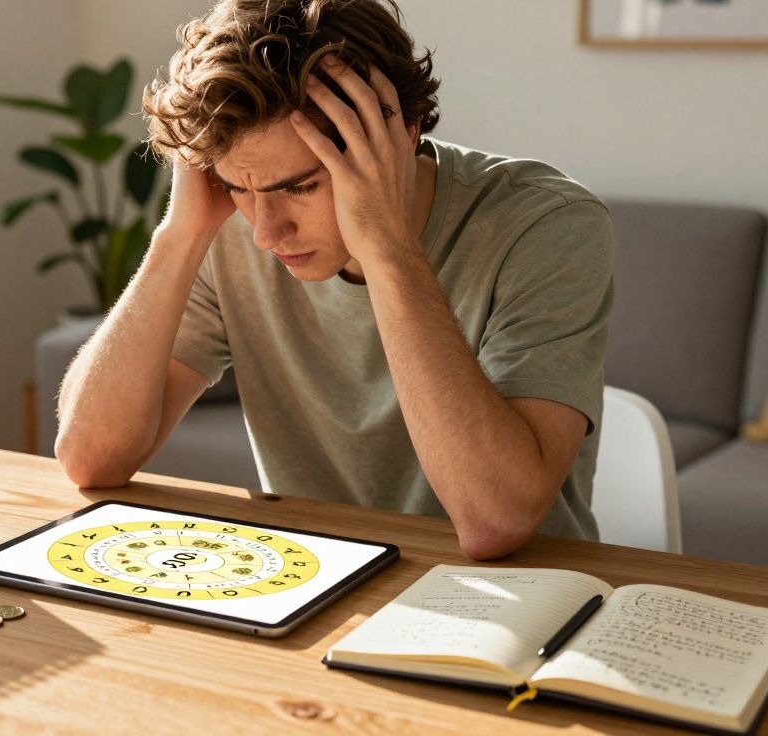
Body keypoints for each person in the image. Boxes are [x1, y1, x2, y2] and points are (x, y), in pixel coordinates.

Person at [54, 0, 614, 560]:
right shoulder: (227, 228)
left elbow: (495, 521)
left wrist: (388, 247)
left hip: (516, 602)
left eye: (300, 186)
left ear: (402, 131)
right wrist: (179, 235)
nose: (267, 233)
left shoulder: (545, 224)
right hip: (313, 581)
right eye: (239, 188)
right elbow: (90, 459)